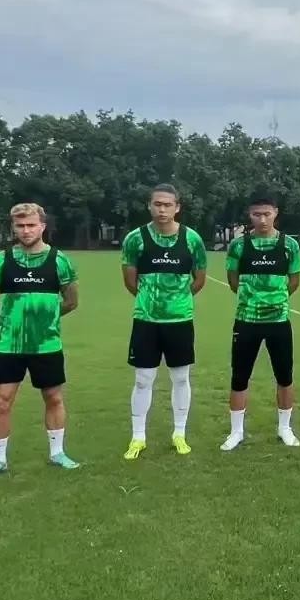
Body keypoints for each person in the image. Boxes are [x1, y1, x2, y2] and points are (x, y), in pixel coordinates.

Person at [0, 203, 80, 482]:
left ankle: (58, 453)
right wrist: (9, 319)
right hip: (9, 346)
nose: (26, 230)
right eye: (20, 226)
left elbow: (71, 301)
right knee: (1, 401)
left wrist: (46, 319)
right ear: (13, 228)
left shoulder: (60, 261)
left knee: (53, 398)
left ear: (43, 226)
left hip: (47, 344)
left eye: (31, 225)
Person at [121, 184, 209, 459]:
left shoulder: (192, 239)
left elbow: (199, 279)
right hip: (146, 320)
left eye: (167, 205)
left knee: (180, 378)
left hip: (179, 320)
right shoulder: (135, 239)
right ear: (149, 206)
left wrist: (177, 301)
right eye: (157, 204)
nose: (162, 210)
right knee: (143, 379)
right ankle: (138, 437)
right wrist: (151, 301)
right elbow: (130, 280)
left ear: (177, 207)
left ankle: (179, 433)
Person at [222, 194, 300, 450]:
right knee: (239, 377)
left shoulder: (289, 245)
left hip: (279, 321)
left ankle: (285, 428)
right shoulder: (239, 246)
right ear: (250, 215)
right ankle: (236, 432)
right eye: (257, 214)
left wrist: (275, 300)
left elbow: (294, 281)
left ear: (276, 213)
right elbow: (233, 280)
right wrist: (253, 300)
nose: (262, 219)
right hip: (246, 320)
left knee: (284, 376)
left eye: (267, 214)